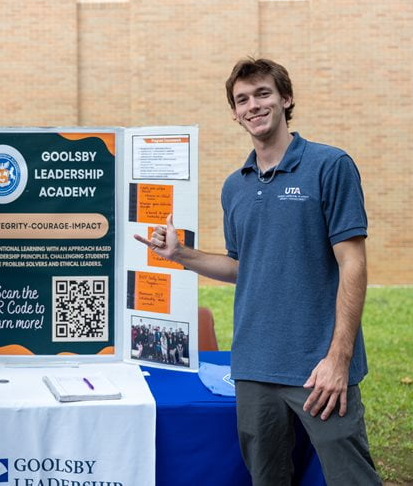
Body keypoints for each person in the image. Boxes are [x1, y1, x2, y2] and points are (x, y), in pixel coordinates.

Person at [135, 58, 381, 485]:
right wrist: (182, 255)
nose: (253, 105)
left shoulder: (329, 166)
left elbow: (352, 262)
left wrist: (338, 359)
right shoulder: (236, 185)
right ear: (234, 113)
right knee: (267, 479)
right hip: (252, 368)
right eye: (242, 99)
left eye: (263, 93)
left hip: (317, 367)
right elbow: (242, 267)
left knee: (350, 478)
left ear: (285, 99)